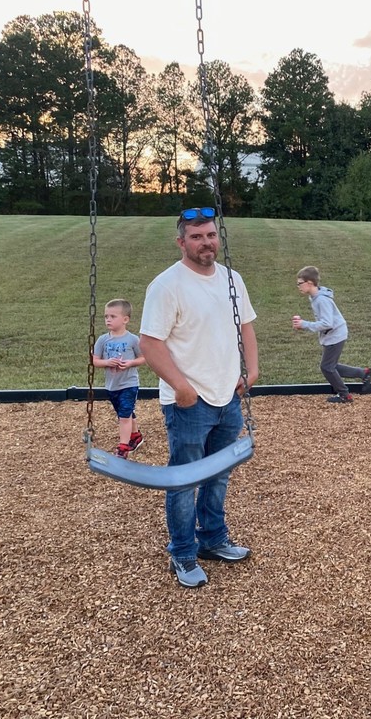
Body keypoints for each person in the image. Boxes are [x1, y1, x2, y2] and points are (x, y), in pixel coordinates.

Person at [139, 207, 260, 589]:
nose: (205, 242)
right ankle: (183, 553)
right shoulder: (167, 285)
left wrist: (251, 369)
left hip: (230, 395)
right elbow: (150, 343)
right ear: (181, 242)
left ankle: (213, 539)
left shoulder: (231, 278)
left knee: (218, 475)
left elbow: (246, 326)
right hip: (189, 401)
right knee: (184, 479)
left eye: (209, 235)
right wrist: (181, 386)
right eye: (196, 237)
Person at [292, 265, 371, 404]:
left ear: (309, 283)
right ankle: (363, 373)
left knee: (327, 367)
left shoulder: (321, 300)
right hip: (334, 334)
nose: (298, 286)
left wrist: (305, 324)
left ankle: (344, 395)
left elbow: (327, 323)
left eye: (300, 283)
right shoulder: (315, 297)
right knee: (331, 365)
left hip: (336, 335)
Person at [92, 299, 146, 459]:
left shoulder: (133, 340)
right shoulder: (103, 340)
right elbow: (95, 360)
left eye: (113, 316)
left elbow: (143, 358)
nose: (108, 319)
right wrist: (107, 362)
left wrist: (130, 363)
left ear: (125, 319)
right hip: (112, 385)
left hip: (129, 384)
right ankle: (136, 436)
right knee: (125, 413)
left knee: (123, 416)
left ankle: (123, 447)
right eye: (106, 316)